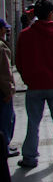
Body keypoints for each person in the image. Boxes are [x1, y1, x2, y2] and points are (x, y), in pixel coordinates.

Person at [16, 0, 53, 168]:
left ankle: (30, 157)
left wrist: (27, 78)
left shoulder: (25, 34)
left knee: (33, 123)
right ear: (51, 13)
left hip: (34, 85)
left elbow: (19, 61)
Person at [0, 19, 17, 158]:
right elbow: (5, 72)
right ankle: (5, 146)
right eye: (5, 28)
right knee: (6, 119)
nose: (7, 31)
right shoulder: (2, 47)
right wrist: (9, 90)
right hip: (2, 91)